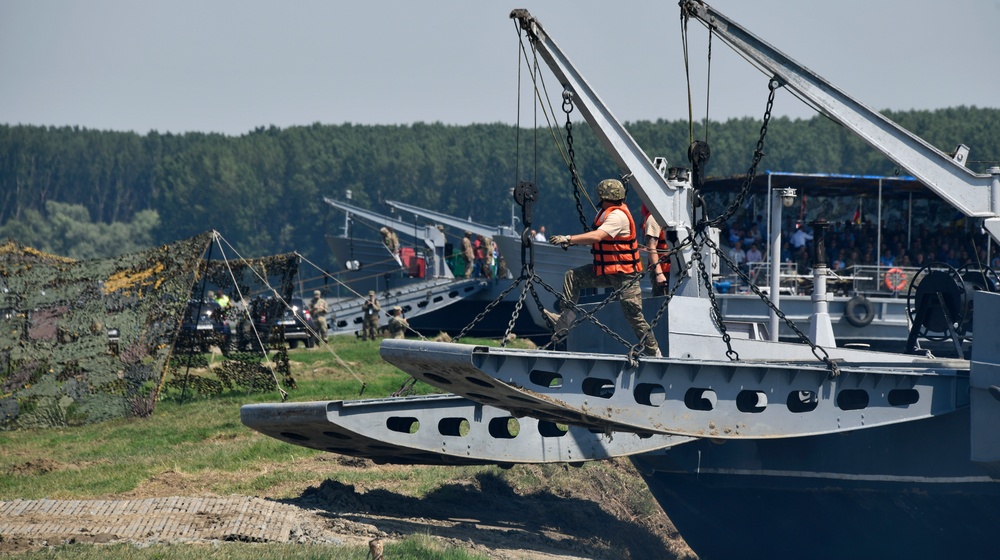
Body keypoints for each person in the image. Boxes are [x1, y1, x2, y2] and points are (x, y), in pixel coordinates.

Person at [546, 179, 660, 357]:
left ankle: (655, 352)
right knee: (573, 276)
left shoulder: (617, 216)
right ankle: (564, 320)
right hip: (607, 270)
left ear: (602, 195)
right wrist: (574, 242)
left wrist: (568, 238)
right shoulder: (607, 212)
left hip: (625, 276)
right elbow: (602, 240)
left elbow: (598, 236)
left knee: (634, 316)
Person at [642, 204, 670, 297]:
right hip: (664, 273)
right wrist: (659, 274)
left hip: (678, 270)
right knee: (662, 305)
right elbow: (651, 246)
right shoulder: (654, 218)